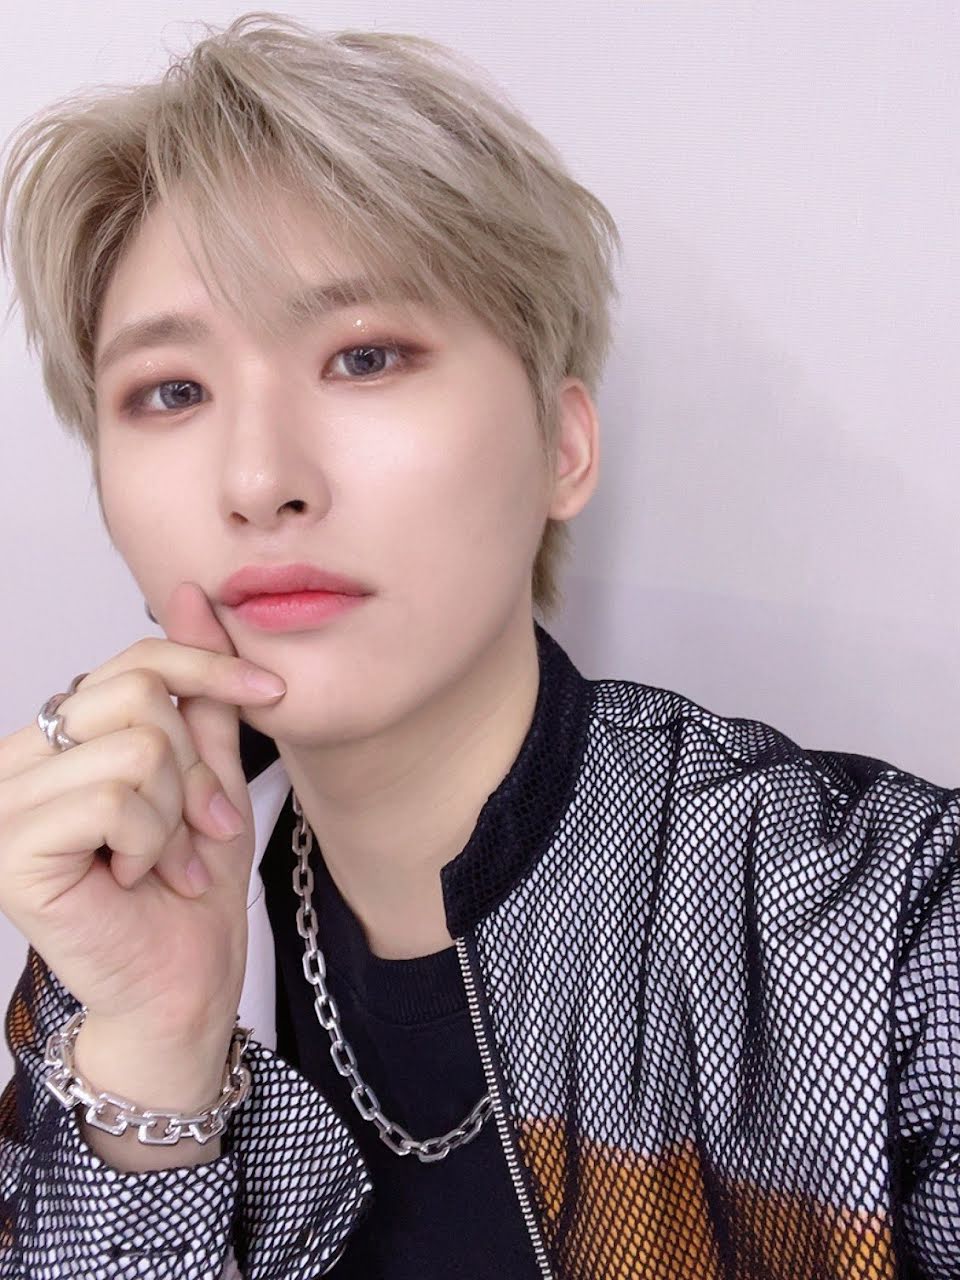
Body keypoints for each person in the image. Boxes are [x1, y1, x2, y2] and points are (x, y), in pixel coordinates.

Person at [0, 11, 955, 1279]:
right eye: (170, 391)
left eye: (364, 356)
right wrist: (155, 1053)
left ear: (564, 446)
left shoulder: (890, 930)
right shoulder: (108, 942)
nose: (259, 478)